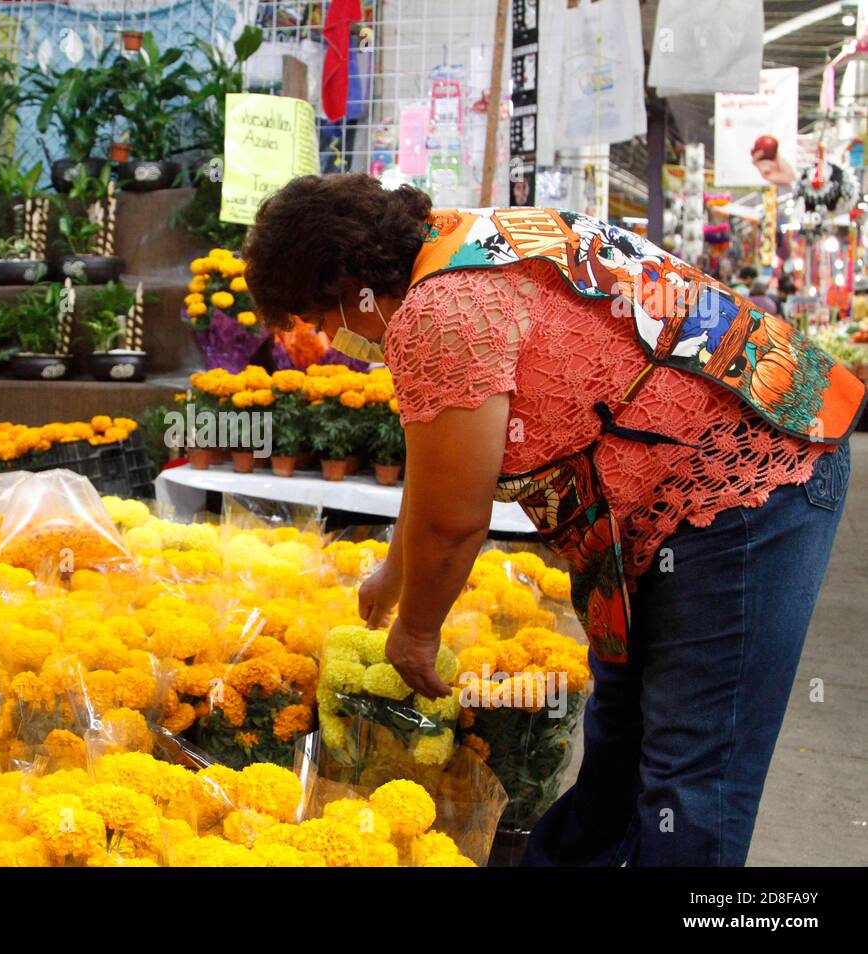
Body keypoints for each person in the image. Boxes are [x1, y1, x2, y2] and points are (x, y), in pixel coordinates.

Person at [241, 173, 864, 866]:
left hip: (748, 482)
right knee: (621, 738)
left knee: (693, 777)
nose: (328, 343)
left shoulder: (440, 311)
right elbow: (445, 462)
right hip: (651, 511)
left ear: (340, 283)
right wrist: (394, 570)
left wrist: (416, 633)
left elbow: (454, 519)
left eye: (318, 321)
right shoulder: (455, 244)